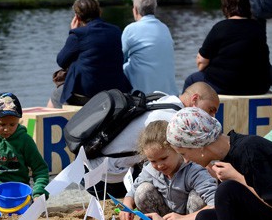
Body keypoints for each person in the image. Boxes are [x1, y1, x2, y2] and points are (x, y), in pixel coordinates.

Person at [85, 82, 220, 198]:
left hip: (91, 164)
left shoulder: (163, 98)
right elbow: (195, 159)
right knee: (175, 164)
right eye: (210, 110)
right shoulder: (173, 120)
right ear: (195, 99)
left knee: (163, 158)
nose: (212, 117)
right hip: (105, 178)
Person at [120, 120, 220, 220]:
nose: (159, 165)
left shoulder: (194, 169)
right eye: (153, 161)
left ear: (177, 149)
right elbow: (133, 190)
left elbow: (216, 203)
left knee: (197, 197)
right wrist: (127, 206)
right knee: (142, 191)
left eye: (164, 158)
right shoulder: (149, 170)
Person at [183, 0, 270, 95]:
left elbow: (202, 61)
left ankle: (184, 112)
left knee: (191, 80)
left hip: (225, 85)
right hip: (257, 86)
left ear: (226, 7)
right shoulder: (258, 28)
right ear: (247, 6)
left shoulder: (221, 27)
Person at [49, 0, 131, 108]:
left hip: (88, 93)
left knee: (56, 95)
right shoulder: (115, 30)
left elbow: (61, 61)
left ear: (77, 17)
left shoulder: (78, 34)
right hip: (116, 90)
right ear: (100, 12)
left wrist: (72, 33)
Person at [0, 92, 50, 199]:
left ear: (19, 121)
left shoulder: (25, 140)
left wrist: (38, 192)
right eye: (1, 124)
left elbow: (40, 170)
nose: (7, 129)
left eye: (12, 124)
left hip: (20, 194)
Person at [121, 0, 178, 95]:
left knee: (120, 67)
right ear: (154, 9)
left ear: (135, 10)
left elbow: (119, 57)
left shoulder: (131, 29)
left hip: (144, 92)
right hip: (169, 92)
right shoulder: (164, 28)